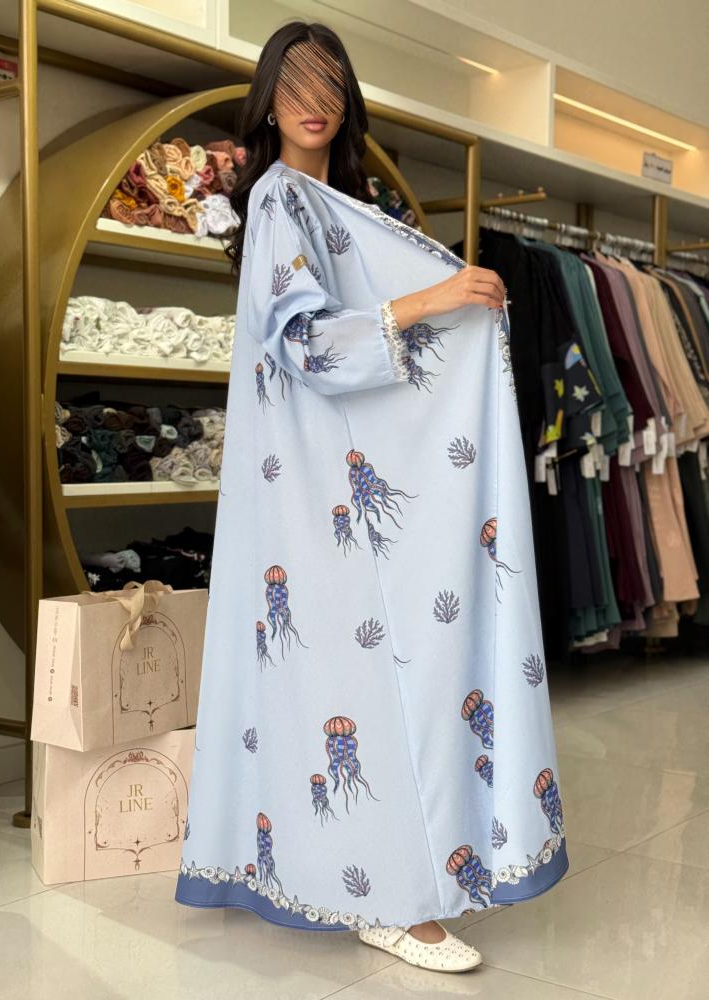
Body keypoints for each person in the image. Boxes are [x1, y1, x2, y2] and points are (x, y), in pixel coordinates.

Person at [175, 20, 569, 974]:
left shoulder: (333, 205)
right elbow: (306, 343)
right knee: (363, 684)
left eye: (331, 84)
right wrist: (436, 301)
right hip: (312, 492)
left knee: (337, 682)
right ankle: (386, 894)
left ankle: (345, 872)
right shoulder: (280, 199)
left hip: (324, 488)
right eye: (296, 83)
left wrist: (445, 306)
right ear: (269, 99)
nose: (315, 102)